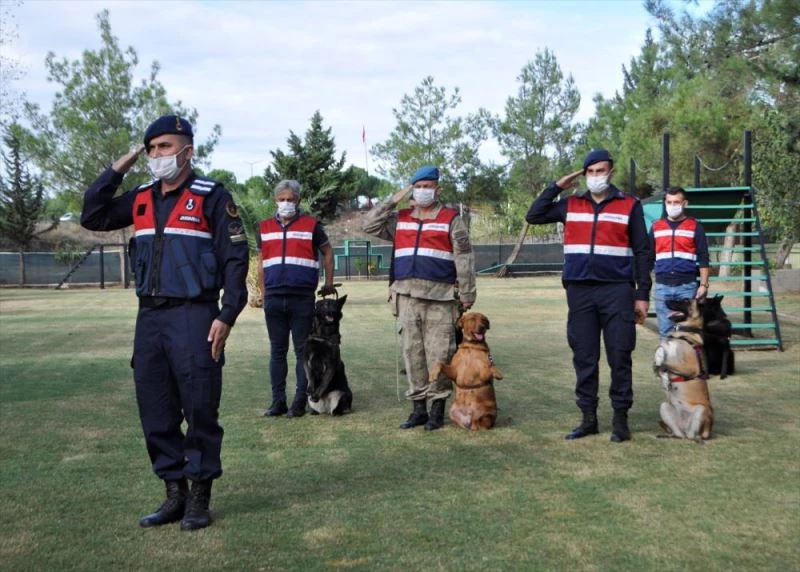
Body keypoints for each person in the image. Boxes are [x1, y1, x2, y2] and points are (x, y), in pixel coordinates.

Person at [80, 115, 249, 530]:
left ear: (188, 151)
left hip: (195, 315)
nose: (157, 155)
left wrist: (227, 315)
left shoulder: (212, 196)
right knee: (155, 409)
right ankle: (174, 493)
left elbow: (235, 260)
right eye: (152, 148)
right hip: (150, 318)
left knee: (199, 406)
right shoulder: (140, 198)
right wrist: (118, 167)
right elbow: (92, 214)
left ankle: (199, 498)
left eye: (165, 147)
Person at [526, 149, 652, 442]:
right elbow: (533, 215)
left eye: (601, 170)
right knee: (584, 356)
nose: (596, 176)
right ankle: (588, 418)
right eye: (591, 171)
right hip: (580, 291)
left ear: (611, 172)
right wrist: (557, 186)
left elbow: (644, 251)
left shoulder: (629, 205)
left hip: (617, 290)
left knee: (619, 354)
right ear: (584, 175)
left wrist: (642, 294)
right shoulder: (570, 204)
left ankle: (621, 419)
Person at [362, 166, 476, 431]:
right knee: (412, 354)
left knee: (439, 354)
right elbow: (368, 224)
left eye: (428, 186)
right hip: (406, 296)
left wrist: (468, 293)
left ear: (438, 188)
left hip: (440, 297)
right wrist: (392, 199)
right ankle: (418, 410)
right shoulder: (400, 219)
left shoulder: (451, 219)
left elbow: (465, 257)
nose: (423, 191)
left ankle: (436, 410)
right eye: (418, 186)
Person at [257, 180, 336, 418]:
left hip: (301, 298)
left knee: (303, 352)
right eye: (281, 199)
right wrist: (262, 292)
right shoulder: (264, 227)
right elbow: (261, 262)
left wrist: (329, 282)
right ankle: (278, 402)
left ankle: (299, 402)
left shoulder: (311, 225)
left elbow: (328, 251)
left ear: (298, 200)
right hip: (273, 298)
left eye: (290, 199)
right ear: (275, 201)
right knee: (277, 351)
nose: (286, 203)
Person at [650, 186, 710, 338]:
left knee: (689, 332)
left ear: (685, 203)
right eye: (669, 202)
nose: (672, 206)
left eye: (676, 202)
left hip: (687, 287)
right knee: (665, 333)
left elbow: (703, 257)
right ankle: (668, 362)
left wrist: (703, 284)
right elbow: (648, 257)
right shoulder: (656, 227)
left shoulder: (695, 227)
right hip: (662, 287)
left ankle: (689, 362)